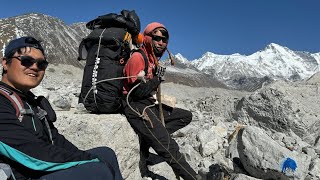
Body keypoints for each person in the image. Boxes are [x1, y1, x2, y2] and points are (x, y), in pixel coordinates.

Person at [0, 36, 123, 180]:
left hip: (38, 171)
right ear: (5, 63)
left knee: (106, 154)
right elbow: (29, 152)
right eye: (26, 61)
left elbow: (55, 140)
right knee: (98, 169)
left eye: (41, 64)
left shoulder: (30, 101)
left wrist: (86, 158)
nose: (34, 67)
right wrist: (88, 161)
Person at [122, 22, 200, 180]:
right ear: (148, 38)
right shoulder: (138, 57)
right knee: (168, 145)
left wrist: (155, 78)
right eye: (157, 38)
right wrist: (157, 79)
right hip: (135, 106)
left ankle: (150, 138)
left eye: (164, 40)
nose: (161, 43)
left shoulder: (152, 60)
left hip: (148, 103)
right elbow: (135, 93)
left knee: (185, 116)